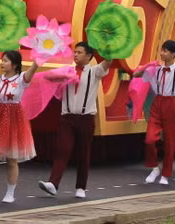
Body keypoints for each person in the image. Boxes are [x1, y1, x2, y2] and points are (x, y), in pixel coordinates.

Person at [39, 41, 117, 199]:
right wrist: (60, 74)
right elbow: (47, 76)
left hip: (85, 118)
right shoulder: (68, 71)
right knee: (63, 149)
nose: (75, 55)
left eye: (79, 52)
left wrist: (109, 47)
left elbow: (108, 62)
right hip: (66, 118)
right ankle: (53, 184)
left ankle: (81, 187)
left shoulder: (95, 72)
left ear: (89, 56)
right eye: (75, 52)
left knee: (83, 153)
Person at [0, 48, 39, 203]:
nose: (2, 63)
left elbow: (33, 69)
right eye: (2, 60)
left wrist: (39, 58)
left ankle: (10, 193)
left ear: (15, 65)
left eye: (5, 60)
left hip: (15, 120)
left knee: (12, 160)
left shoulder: (21, 79)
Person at [142, 39, 175, 185]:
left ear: (173, 54)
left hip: (171, 103)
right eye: (162, 50)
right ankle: (154, 168)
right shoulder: (156, 69)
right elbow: (136, 75)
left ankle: (166, 174)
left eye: (165, 51)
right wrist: (146, 66)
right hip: (157, 103)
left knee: (170, 142)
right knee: (149, 140)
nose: (162, 53)